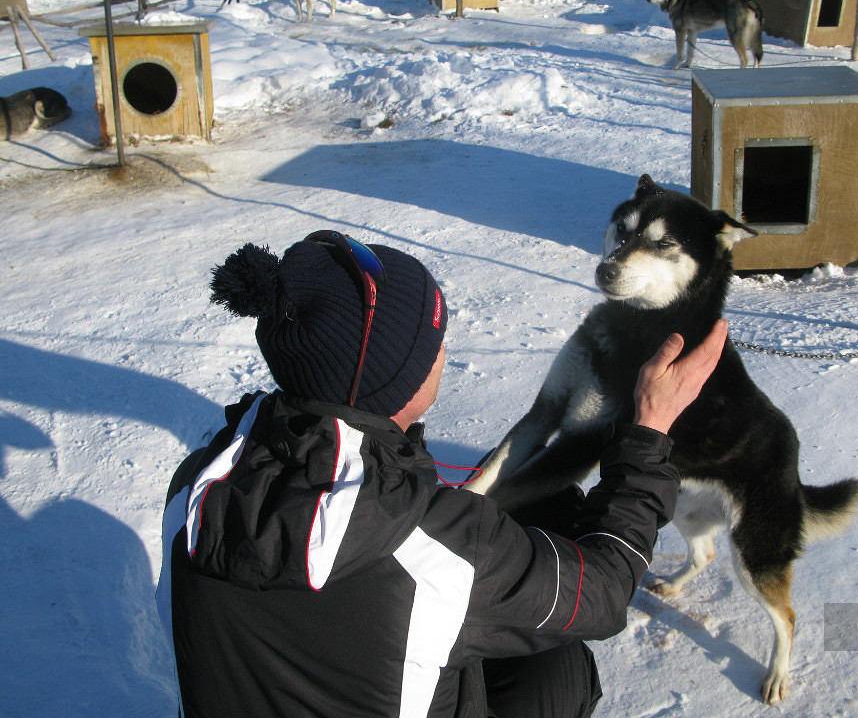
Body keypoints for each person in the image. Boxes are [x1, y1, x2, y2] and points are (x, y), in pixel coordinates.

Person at [156, 230, 729, 718]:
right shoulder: (433, 548)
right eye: (433, 343)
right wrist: (649, 431)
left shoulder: (195, 486)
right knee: (556, 667)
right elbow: (602, 593)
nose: (444, 352)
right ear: (394, 380)